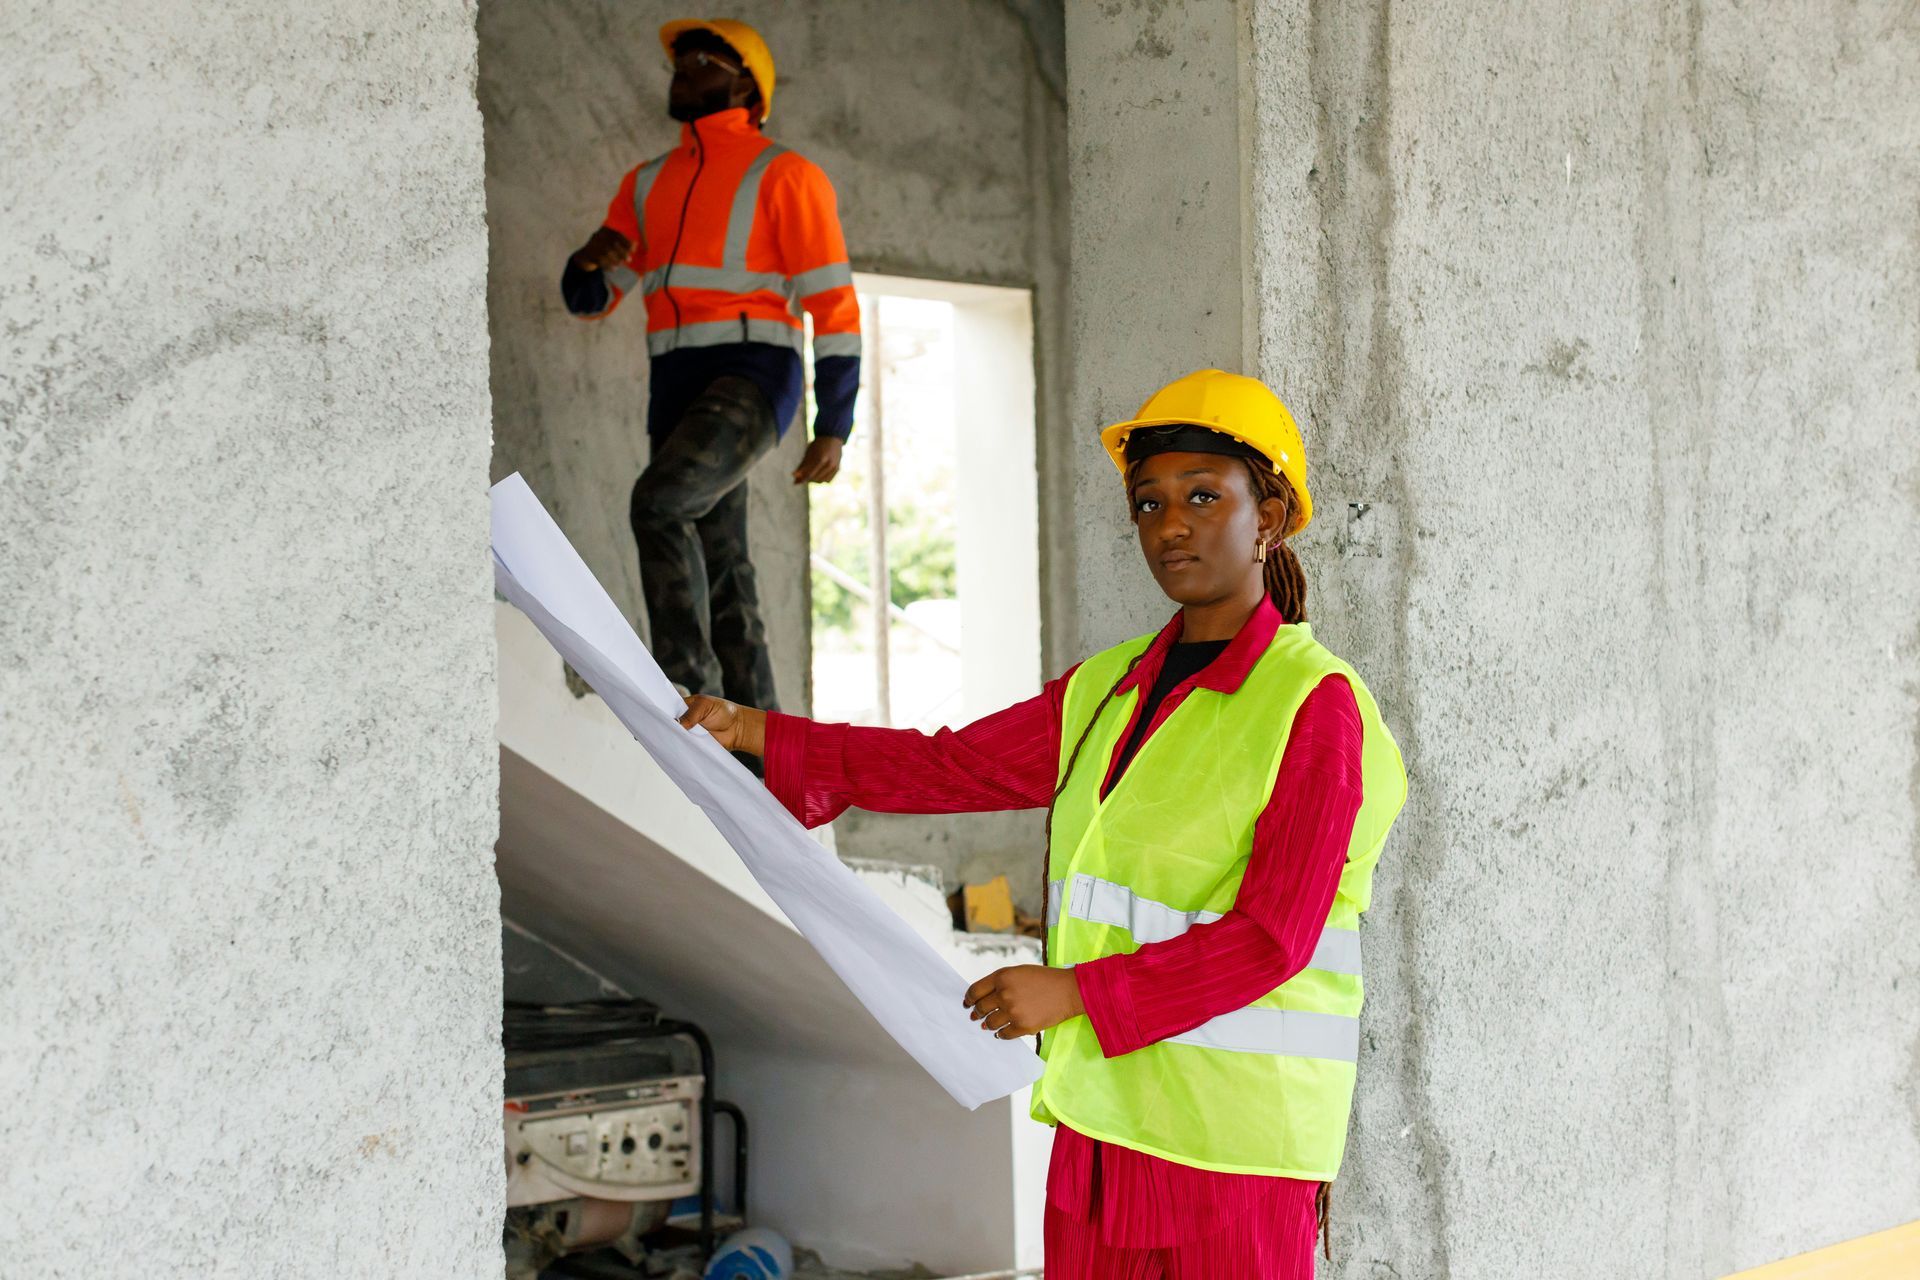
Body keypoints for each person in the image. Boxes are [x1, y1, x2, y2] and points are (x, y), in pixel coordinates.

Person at [679, 369, 1406, 1275]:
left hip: (1232, 1156)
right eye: (1147, 503)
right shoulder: (1109, 689)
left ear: (1270, 518)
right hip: (1105, 1127)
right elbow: (950, 763)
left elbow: (1272, 939)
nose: (1169, 523)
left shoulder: (1314, 705)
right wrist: (755, 731)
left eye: (1202, 496)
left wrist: (1075, 995)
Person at [562, 18, 861, 711]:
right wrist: (586, 260)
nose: (683, 72)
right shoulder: (645, 185)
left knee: (659, 503)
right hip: (674, 386)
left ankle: (686, 694)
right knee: (726, 569)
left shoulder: (787, 175)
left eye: (702, 61)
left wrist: (834, 422)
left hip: (754, 375)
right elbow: (594, 299)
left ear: (747, 85)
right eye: (679, 63)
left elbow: (835, 307)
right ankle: (762, 752)